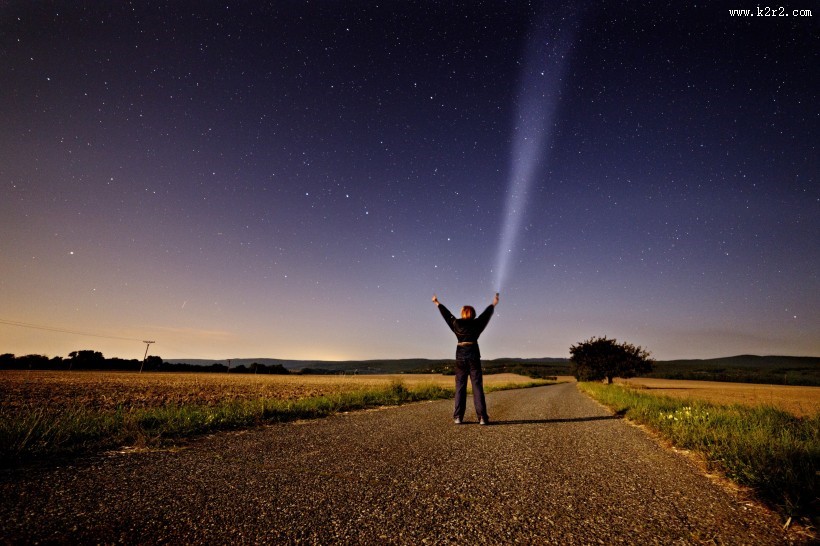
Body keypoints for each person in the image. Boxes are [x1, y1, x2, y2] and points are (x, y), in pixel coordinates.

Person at [432, 292, 499, 425]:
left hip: (461, 355)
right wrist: (493, 304)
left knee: (460, 386)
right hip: (474, 354)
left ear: (463, 313)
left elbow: (447, 315)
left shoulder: (456, 323)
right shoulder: (478, 323)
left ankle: (458, 417)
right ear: (473, 314)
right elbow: (485, 315)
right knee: (477, 386)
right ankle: (482, 418)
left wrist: (437, 303)